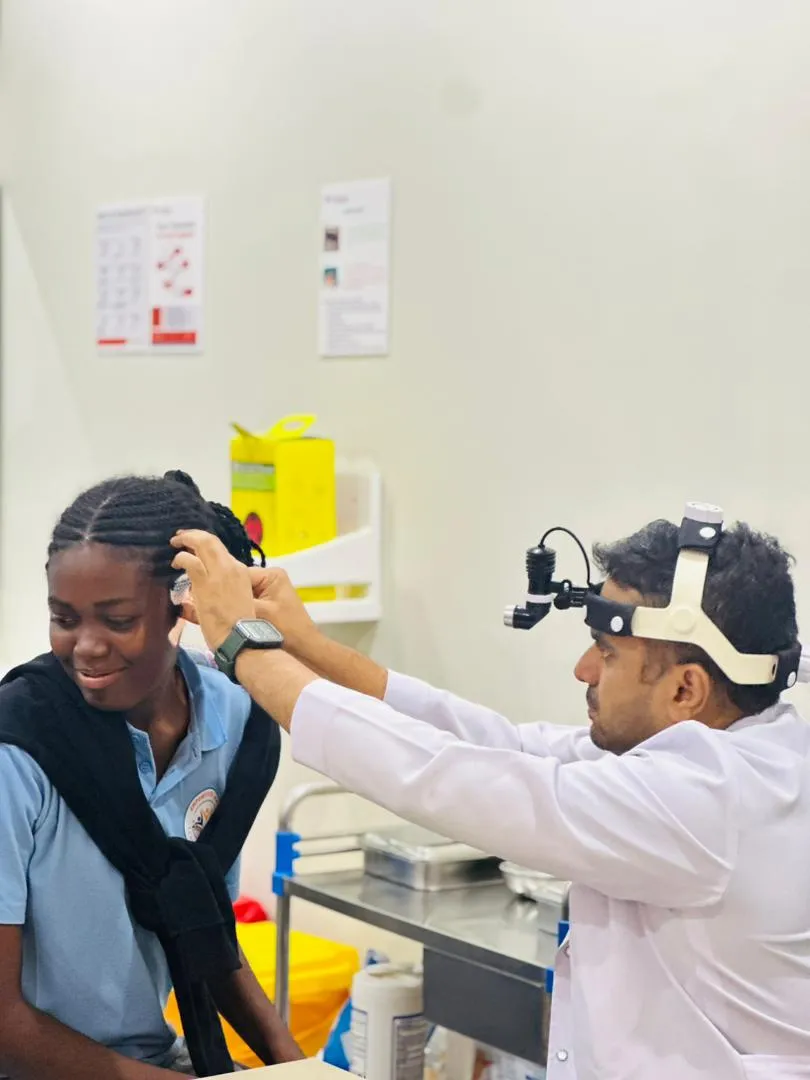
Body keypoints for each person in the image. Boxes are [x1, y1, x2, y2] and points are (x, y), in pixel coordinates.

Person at [172, 516, 810, 1080]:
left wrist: (241, 647)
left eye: (608, 653)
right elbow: (494, 745)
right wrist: (302, 645)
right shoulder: (734, 754)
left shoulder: (709, 802)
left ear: (686, 689)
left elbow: (447, 777)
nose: (584, 669)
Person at [0, 472, 302, 1080]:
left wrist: (297, 1069)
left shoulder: (237, 720)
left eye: (116, 620)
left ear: (182, 604)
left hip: (153, 1061)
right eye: (64, 618)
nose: (85, 647)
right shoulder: (19, 749)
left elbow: (204, 930)